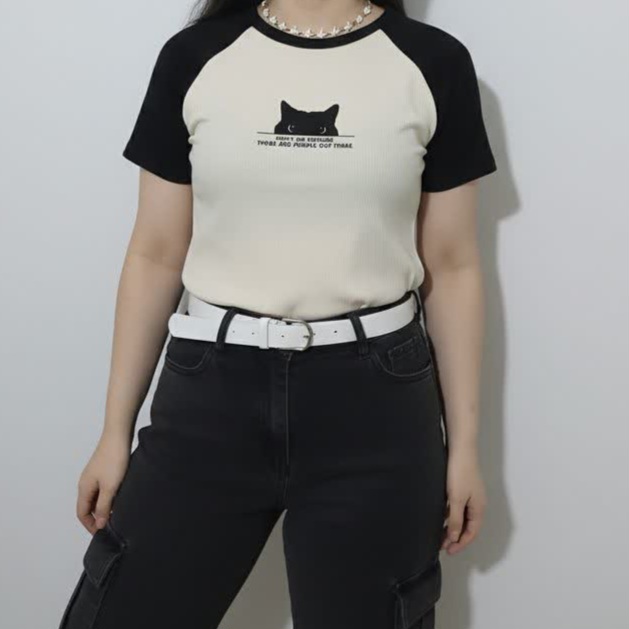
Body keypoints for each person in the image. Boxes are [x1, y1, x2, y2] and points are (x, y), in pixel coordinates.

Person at [57, 1, 497, 628]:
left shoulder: (433, 63)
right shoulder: (196, 56)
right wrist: (113, 434)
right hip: (209, 394)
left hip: (376, 408)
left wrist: (466, 449)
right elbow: (155, 254)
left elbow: (452, 269)